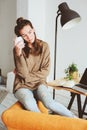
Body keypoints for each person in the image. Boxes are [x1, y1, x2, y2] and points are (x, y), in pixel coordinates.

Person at [13, 17, 77, 118]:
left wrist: (27, 78)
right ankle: (45, 125)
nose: (29, 37)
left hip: (39, 83)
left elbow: (45, 71)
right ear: (20, 37)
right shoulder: (17, 50)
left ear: (33, 29)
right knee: (31, 105)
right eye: (24, 35)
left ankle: (75, 119)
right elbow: (23, 73)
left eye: (30, 32)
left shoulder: (44, 46)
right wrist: (19, 54)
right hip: (22, 86)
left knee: (49, 103)